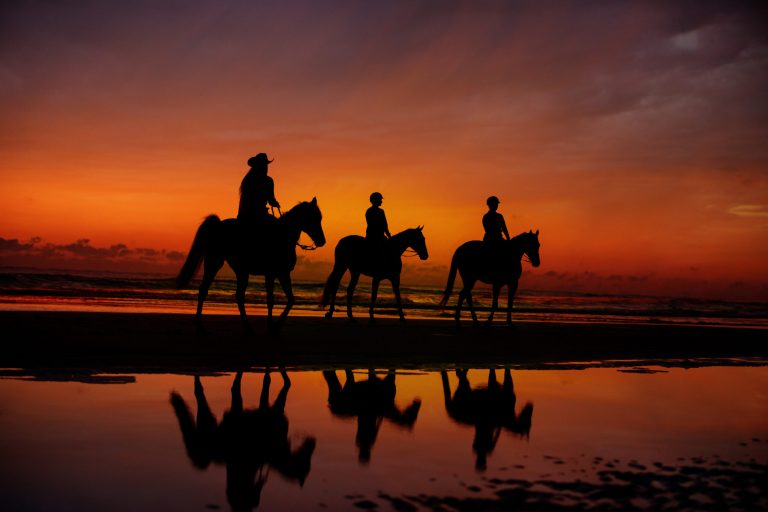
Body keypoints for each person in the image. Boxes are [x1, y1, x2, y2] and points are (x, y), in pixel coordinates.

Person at [237, 153, 281, 224]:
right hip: (259, 214)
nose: (265, 167)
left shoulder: (248, 179)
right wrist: (275, 203)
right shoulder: (268, 181)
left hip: (244, 214)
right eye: (264, 165)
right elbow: (271, 199)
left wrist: (273, 202)